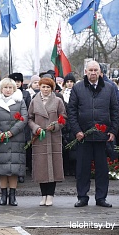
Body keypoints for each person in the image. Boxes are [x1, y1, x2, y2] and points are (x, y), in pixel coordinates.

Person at [68, 60, 119, 208]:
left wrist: (113, 131)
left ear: (100, 72)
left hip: (103, 136)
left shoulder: (109, 88)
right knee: (82, 169)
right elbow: (71, 111)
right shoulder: (77, 88)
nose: (93, 73)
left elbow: (115, 111)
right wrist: (77, 130)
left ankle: (101, 198)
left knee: (102, 169)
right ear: (85, 72)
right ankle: (82, 197)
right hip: (83, 136)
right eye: (90, 70)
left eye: (95, 70)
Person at [0, 78, 28, 206]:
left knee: (14, 168)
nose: (8, 90)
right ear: (1, 89)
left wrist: (12, 132)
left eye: (10, 87)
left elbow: (24, 118)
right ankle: (3, 195)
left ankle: (13, 196)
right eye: (6, 87)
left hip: (15, 139)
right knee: (2, 168)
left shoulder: (20, 102)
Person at [28, 77, 66, 206]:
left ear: (52, 88)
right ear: (39, 87)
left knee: (53, 167)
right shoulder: (34, 101)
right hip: (40, 138)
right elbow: (29, 118)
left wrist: (55, 125)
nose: (45, 89)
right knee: (41, 167)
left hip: (53, 137)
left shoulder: (58, 101)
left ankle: (50, 195)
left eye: (48, 87)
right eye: (43, 86)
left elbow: (63, 118)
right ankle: (43, 194)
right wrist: (36, 128)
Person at [8, 72, 31, 183]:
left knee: (21, 152)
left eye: (18, 82)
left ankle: (21, 173)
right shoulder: (6, 93)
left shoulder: (26, 94)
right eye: (14, 81)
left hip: (22, 125)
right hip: (8, 125)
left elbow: (28, 110)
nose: (16, 84)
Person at [60, 73, 77, 176]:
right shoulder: (62, 94)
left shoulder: (77, 93)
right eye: (68, 82)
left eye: (71, 82)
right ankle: (66, 169)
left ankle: (73, 168)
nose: (69, 84)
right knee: (65, 148)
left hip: (73, 122)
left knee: (74, 147)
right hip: (65, 122)